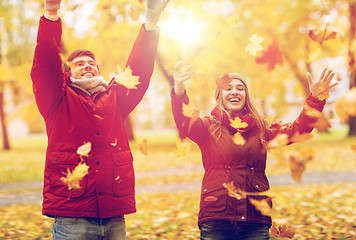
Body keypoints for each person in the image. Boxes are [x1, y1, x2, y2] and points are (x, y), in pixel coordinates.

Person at [30, 0, 170, 239]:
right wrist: (51, 14)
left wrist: (151, 22)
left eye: (92, 64)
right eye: (79, 64)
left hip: (113, 214)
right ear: (67, 73)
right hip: (72, 216)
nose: (87, 66)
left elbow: (138, 70)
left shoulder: (115, 97)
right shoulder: (56, 98)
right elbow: (44, 66)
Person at [171, 61, 336, 240]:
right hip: (217, 217)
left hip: (255, 219)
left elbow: (298, 130)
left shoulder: (262, 127)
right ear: (220, 96)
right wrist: (179, 89)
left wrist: (316, 98)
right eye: (228, 88)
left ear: (246, 95)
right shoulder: (207, 126)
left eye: (240, 88)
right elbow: (184, 119)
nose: (234, 91)